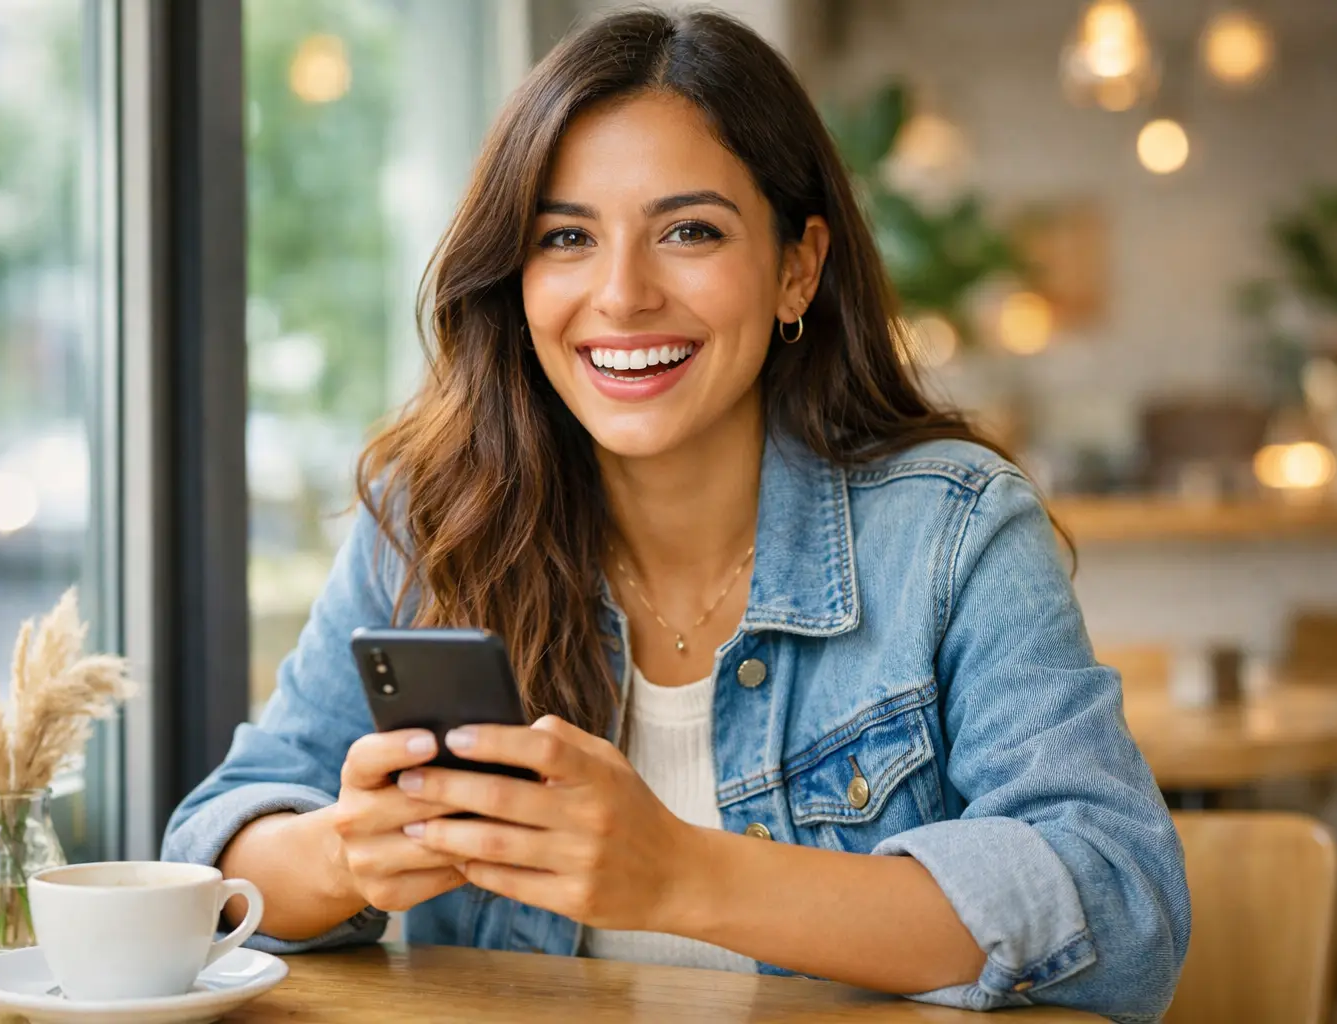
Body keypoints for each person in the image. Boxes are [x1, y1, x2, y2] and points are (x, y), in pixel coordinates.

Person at [163, 8, 1189, 1017]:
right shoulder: (433, 521)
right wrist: (345, 855)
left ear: (798, 267)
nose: (622, 294)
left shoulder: (952, 533)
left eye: (689, 231)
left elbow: (1120, 904)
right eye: (566, 237)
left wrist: (681, 876)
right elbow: (214, 853)